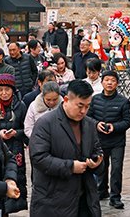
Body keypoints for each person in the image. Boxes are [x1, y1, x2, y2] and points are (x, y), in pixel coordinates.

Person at [29, 79, 103, 216]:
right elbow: (39, 158)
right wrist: (70, 167)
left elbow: (97, 150)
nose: (83, 111)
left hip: (84, 198)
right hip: (53, 200)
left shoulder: (89, 124)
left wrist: (96, 162)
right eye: (80, 106)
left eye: (87, 106)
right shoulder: (45, 123)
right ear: (67, 100)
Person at [87, 70, 130, 208]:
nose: (109, 83)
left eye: (113, 80)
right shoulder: (95, 99)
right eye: (107, 80)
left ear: (117, 83)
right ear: (102, 82)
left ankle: (115, 197)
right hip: (99, 140)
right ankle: (102, 191)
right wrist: (96, 124)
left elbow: (128, 121)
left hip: (117, 141)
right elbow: (87, 117)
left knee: (116, 169)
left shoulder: (123, 101)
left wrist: (114, 127)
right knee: (101, 167)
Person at [0, 74, 28, 214]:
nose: (4, 93)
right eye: (0, 90)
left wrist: (16, 133)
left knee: (14, 177)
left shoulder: (20, 106)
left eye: (7, 89)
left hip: (15, 147)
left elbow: (26, 129)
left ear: (13, 90)